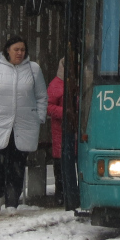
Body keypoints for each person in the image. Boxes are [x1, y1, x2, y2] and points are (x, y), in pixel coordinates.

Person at [0, 36, 47, 211]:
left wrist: (39, 117)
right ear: (8, 50)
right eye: (16, 50)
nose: (20, 53)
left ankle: (12, 203)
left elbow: (41, 96)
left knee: (16, 165)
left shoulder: (33, 69)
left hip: (23, 125)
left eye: (22, 50)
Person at [47, 58, 65, 198]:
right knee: (60, 162)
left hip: (67, 130)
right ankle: (61, 193)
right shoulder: (56, 85)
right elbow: (48, 106)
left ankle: (63, 193)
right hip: (61, 130)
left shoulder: (58, 84)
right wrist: (65, 112)